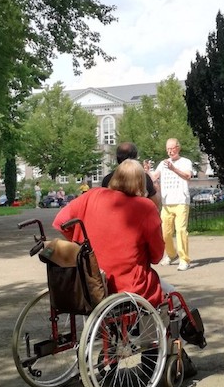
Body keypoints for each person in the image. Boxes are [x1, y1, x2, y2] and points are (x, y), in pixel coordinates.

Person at [54, 159, 205, 346]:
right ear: (141, 183)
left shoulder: (91, 195)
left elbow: (60, 220)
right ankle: (153, 352)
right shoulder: (144, 206)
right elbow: (157, 256)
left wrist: (82, 247)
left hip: (89, 279)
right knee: (168, 296)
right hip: (126, 283)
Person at [151, 138, 193, 271]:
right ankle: (171, 254)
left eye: (172, 148)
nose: (170, 151)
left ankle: (184, 259)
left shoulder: (186, 162)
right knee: (165, 233)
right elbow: (154, 177)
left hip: (181, 200)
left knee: (181, 230)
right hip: (167, 203)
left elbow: (188, 176)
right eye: (168, 149)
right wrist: (146, 171)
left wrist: (173, 169)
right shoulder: (163, 163)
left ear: (178, 148)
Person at [102, 141, 160, 207]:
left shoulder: (107, 179)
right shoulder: (143, 178)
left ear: (117, 158)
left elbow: (104, 204)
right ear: (135, 158)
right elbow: (154, 204)